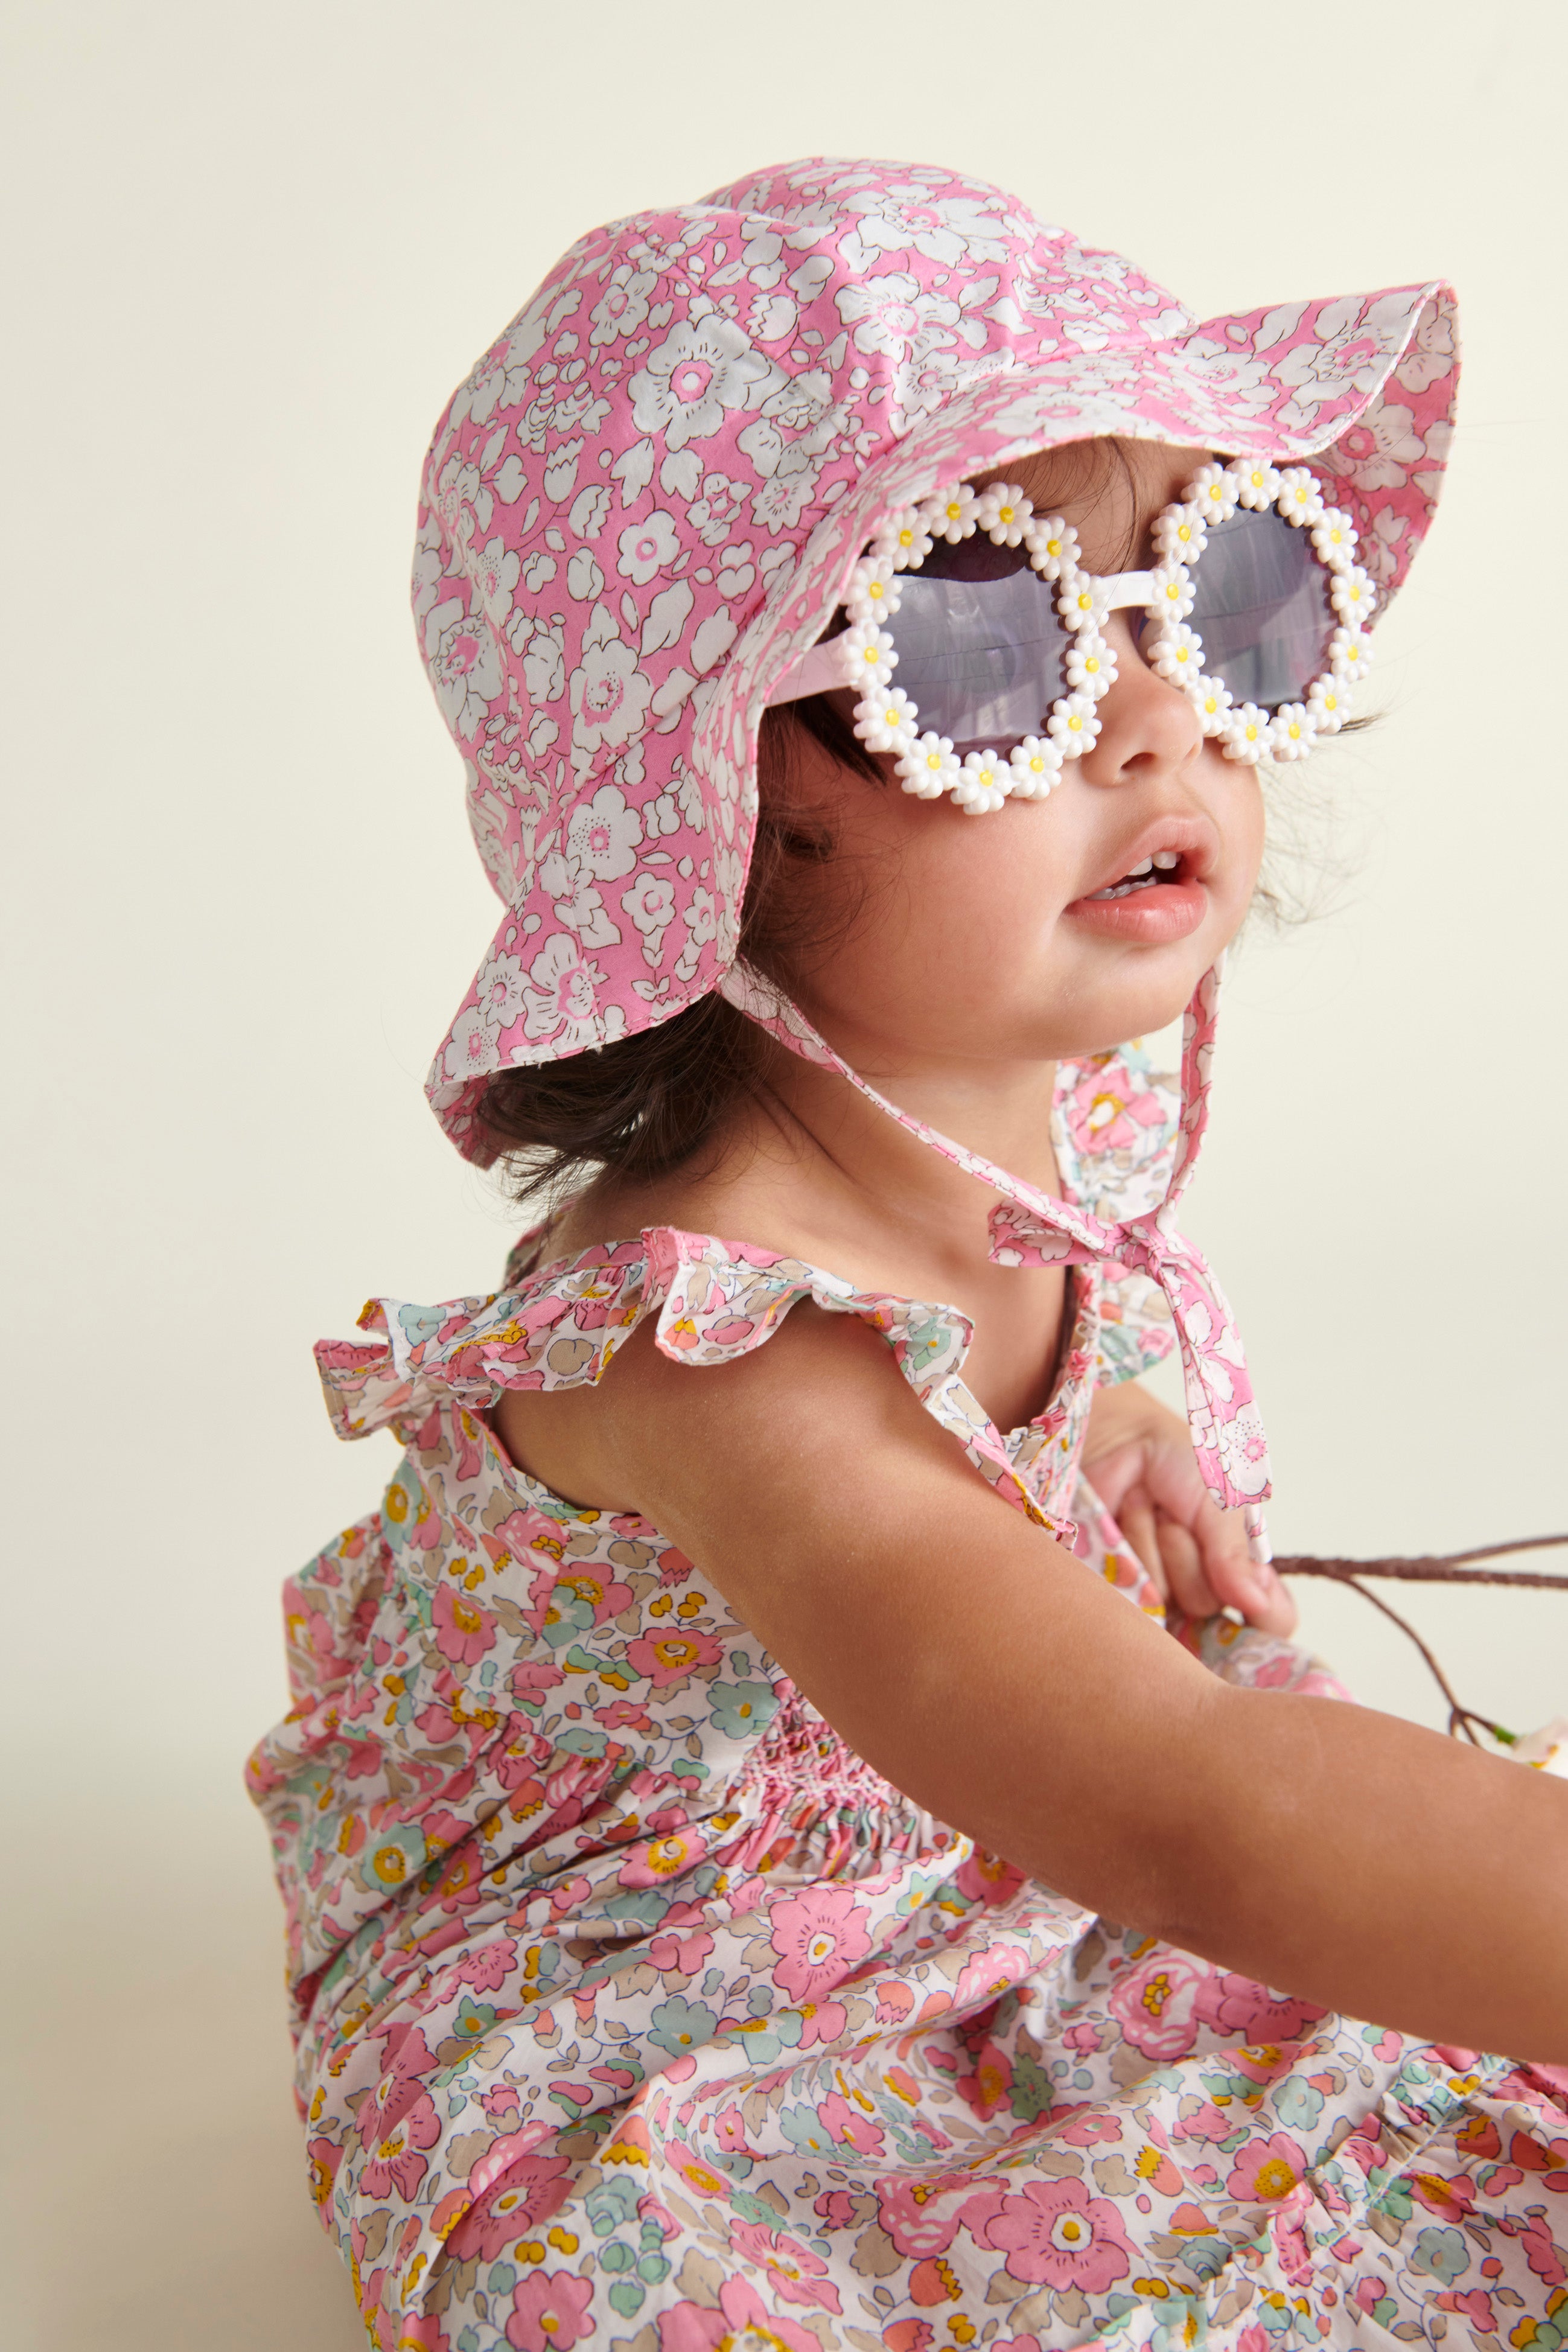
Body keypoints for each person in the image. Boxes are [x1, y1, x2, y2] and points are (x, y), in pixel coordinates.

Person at [247, 159, 1568, 2351]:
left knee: (1429, 2059)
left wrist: (1096, 1423)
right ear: (705, 811)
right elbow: (1190, 1811)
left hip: (1021, 1827)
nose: (1153, 719)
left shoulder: (1014, 1129)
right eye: (984, 648)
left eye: (1215, 594)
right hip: (714, 2003)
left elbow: (1057, 1531)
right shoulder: (723, 1357)